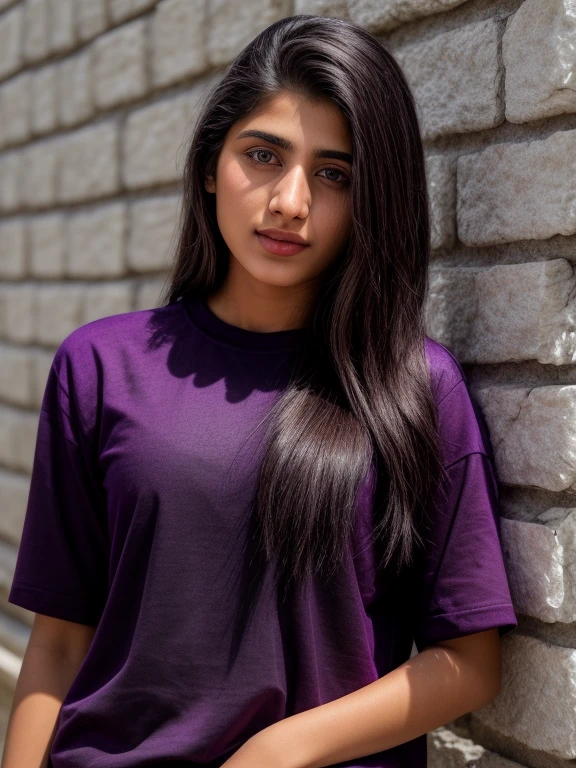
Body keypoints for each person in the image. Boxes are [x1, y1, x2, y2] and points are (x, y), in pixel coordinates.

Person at [2, 13, 518, 768]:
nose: (290, 202)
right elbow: (57, 643)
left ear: (372, 200)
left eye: (334, 174)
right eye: (263, 156)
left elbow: (469, 663)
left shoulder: (412, 388)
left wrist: (279, 751)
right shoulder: (99, 366)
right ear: (211, 164)